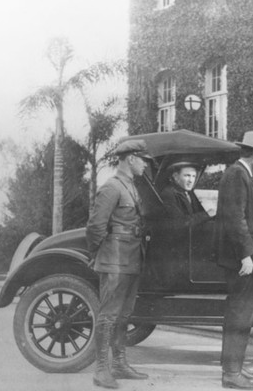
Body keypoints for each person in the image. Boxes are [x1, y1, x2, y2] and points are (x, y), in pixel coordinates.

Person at [86, 139, 150, 389]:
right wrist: (98, 254)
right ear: (130, 159)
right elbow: (95, 227)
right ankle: (101, 369)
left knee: (124, 314)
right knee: (108, 315)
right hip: (114, 260)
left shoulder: (130, 186)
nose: (145, 165)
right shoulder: (112, 187)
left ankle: (120, 364)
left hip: (131, 258)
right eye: (142, 160)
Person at [216, 131, 253, 390]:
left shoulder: (239, 175)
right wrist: (247, 254)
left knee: (241, 314)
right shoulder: (237, 175)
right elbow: (235, 219)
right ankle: (231, 373)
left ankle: (233, 367)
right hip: (241, 259)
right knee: (240, 315)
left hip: (242, 257)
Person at [157, 161, 211, 288]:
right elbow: (179, 223)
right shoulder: (168, 194)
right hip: (174, 255)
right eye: (187, 176)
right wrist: (207, 215)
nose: (191, 180)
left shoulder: (189, 193)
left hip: (187, 250)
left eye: (193, 176)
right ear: (175, 177)